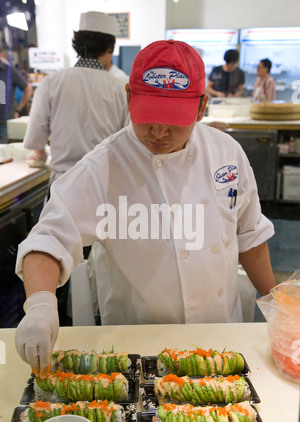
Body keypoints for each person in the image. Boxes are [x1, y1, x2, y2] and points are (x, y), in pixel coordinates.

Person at [15, 40, 276, 376]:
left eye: (173, 120)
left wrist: (279, 312)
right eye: (149, 117)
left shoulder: (227, 153)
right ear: (128, 98)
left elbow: (250, 236)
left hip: (218, 341)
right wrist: (40, 306)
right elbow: (48, 239)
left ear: (201, 107)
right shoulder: (105, 164)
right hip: (137, 346)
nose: (158, 131)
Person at [23, 11, 129, 184]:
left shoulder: (52, 82)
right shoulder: (120, 88)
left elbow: (36, 136)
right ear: (110, 49)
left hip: (63, 182)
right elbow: (129, 141)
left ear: (77, 46)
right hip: (104, 182)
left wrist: (39, 152)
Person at [0, 53, 33, 143]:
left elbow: (28, 90)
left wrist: (18, 110)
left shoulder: (9, 71)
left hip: (5, 122)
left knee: (3, 153)